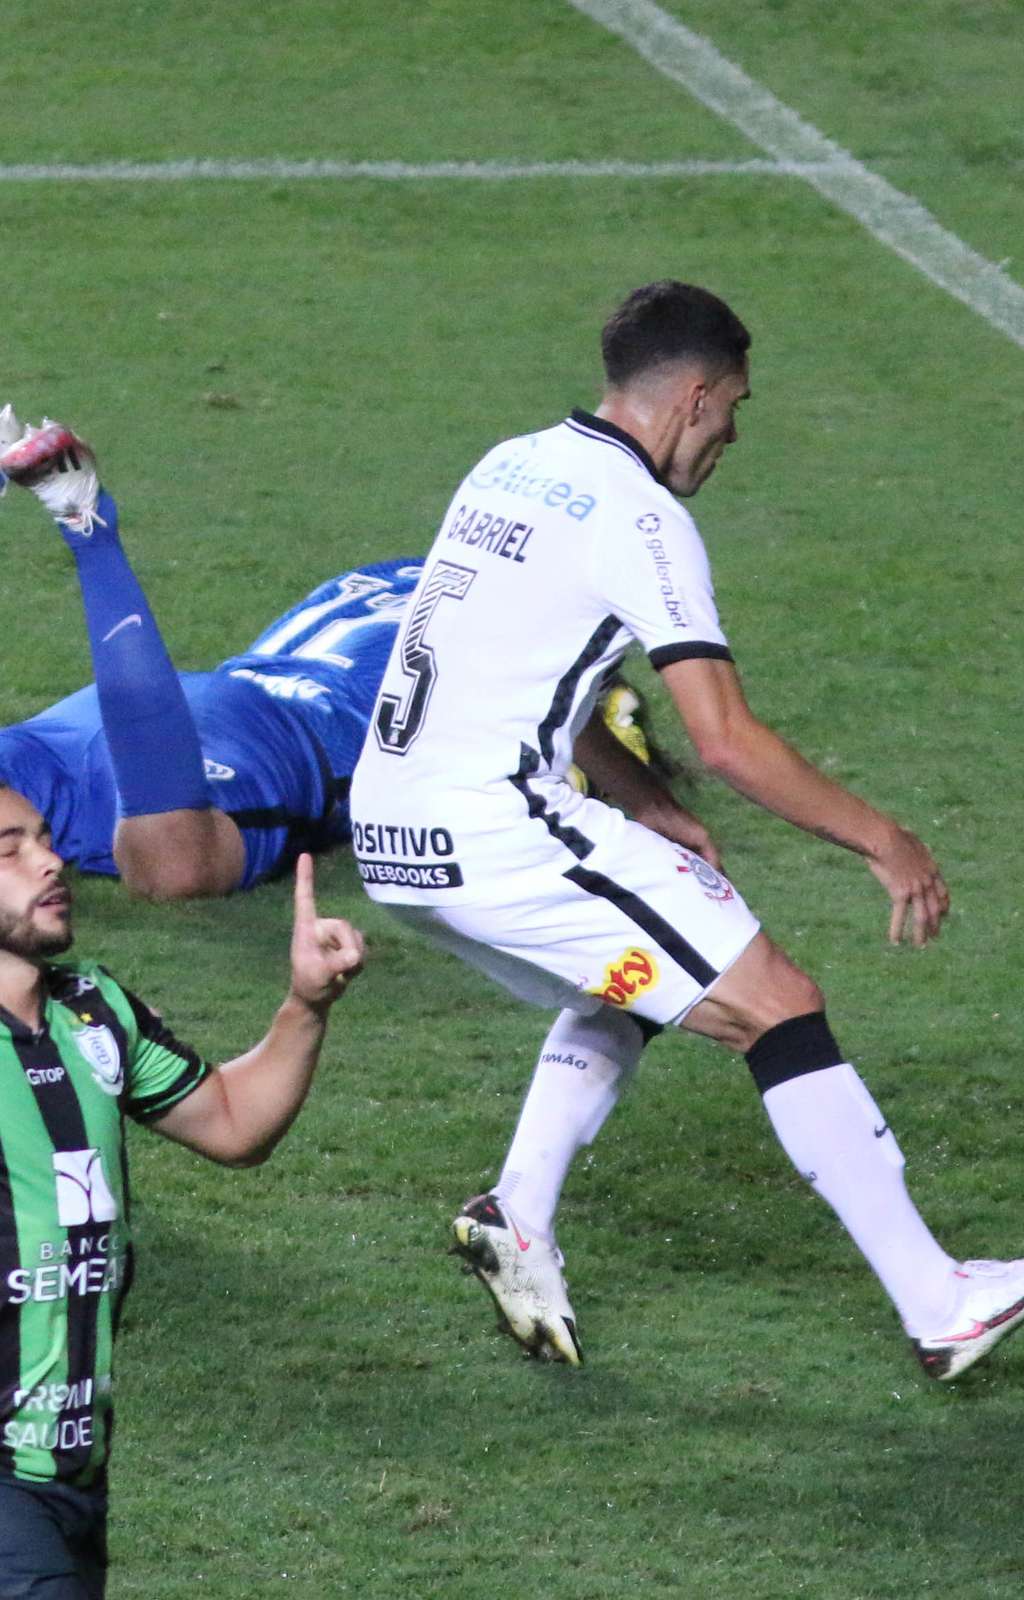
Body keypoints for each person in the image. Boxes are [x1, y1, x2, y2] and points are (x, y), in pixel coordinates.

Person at [349, 279, 1024, 1382]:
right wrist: (887, 840)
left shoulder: (510, 462)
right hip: (492, 823)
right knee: (777, 1002)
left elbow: (533, 658)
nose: (735, 434)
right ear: (693, 395)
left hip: (388, 821)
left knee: (636, 975)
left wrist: (645, 803)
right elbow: (729, 737)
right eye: (735, 406)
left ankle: (518, 1212)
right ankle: (941, 1303)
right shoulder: (642, 516)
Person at [0, 410, 659, 901]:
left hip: (285, 727)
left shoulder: (438, 614)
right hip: (221, 702)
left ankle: (86, 523)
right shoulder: (418, 594)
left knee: (175, 867)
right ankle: (83, 520)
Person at [0, 780, 364, 1597]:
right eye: (9, 850)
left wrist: (306, 1004)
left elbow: (234, 1124)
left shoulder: (92, 1010)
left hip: (73, 1468)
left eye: (45, 838)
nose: (51, 862)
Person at [0, 406, 425, 899]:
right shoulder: (172, 856)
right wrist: (87, 531)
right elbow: (146, 737)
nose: (48, 863)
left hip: (268, 669)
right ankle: (86, 518)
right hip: (340, 706)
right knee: (171, 865)